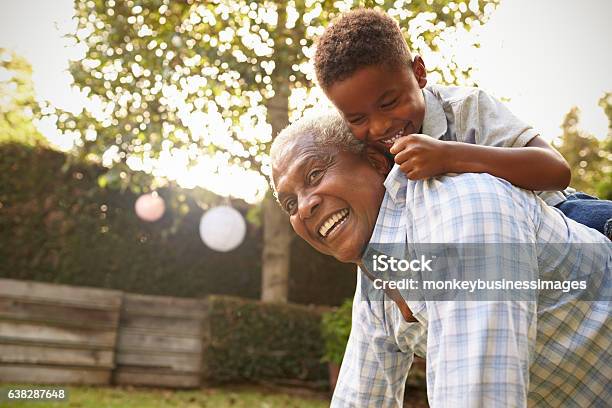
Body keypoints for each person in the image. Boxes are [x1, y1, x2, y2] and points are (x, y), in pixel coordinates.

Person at [269, 110, 611, 407]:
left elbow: (478, 398)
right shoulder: (377, 278)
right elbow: (359, 398)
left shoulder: (463, 211)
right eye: (289, 204)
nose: (304, 206)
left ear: (375, 162)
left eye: (314, 175)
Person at [313, 8, 612, 239]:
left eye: (389, 103)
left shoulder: (464, 107)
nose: (378, 128)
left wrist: (449, 156)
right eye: (357, 118)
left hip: (560, 215)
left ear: (418, 73)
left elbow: (556, 171)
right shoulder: (367, 156)